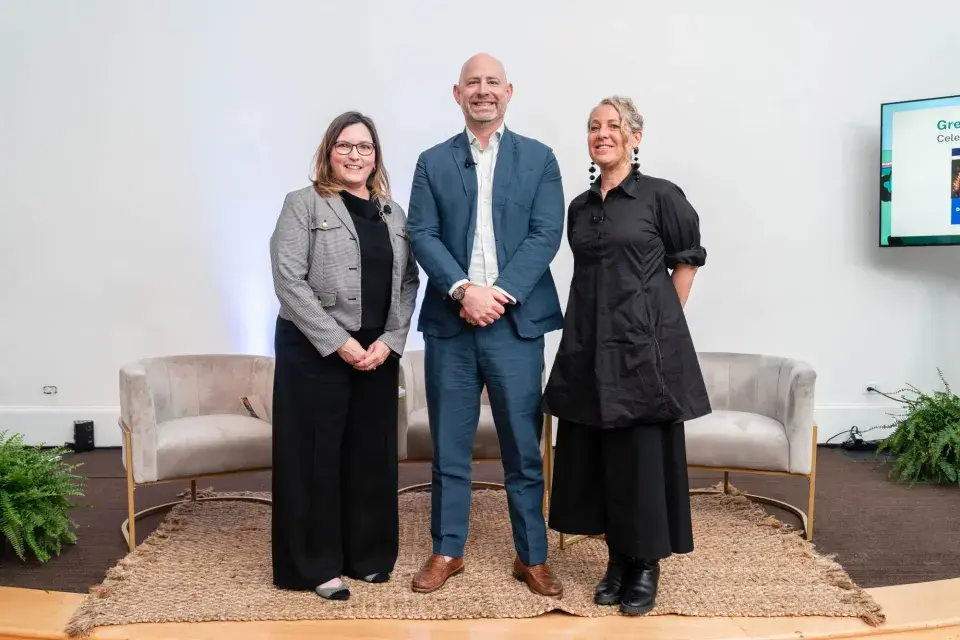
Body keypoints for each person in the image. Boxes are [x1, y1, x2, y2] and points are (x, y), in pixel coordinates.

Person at [541, 95, 711, 616]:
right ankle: (616, 561)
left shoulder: (661, 196)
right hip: (590, 351)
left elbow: (686, 262)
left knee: (642, 461)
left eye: (614, 126)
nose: (603, 134)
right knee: (600, 460)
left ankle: (645, 565)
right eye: (594, 127)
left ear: (635, 137)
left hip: (645, 354)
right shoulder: (580, 207)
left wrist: (659, 322)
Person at [405, 53, 566, 597]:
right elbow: (422, 233)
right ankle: (447, 551)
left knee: (523, 446)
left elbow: (546, 234)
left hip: (514, 325)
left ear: (509, 91)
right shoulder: (432, 162)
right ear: (457, 93)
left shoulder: (540, 159)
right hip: (452, 326)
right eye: (473, 83)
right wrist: (462, 291)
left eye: (492, 82)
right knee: (450, 446)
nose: (483, 91)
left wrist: (494, 295)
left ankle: (532, 557)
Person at [269, 111, 420, 600]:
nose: (356, 155)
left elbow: (407, 283)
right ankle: (314, 564)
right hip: (314, 350)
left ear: (376, 156)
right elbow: (288, 281)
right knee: (315, 457)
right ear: (328, 151)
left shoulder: (394, 215)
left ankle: (367, 556)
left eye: (366, 147)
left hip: (377, 351)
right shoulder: (303, 205)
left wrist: (391, 341)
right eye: (346, 146)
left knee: (371, 455)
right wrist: (338, 341)